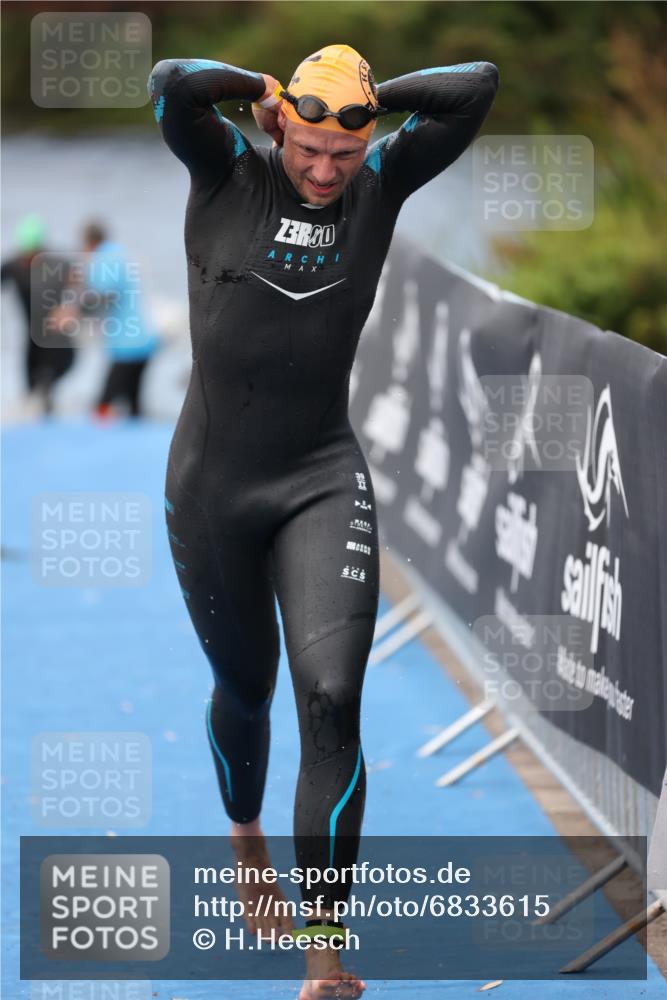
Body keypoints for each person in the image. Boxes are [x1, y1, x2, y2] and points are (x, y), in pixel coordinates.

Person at [148, 43, 498, 999]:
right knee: (245, 687)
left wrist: (366, 102)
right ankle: (245, 837)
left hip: (319, 478)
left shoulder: (381, 183)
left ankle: (324, 954)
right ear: (278, 131)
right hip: (213, 486)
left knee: (332, 700)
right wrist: (265, 90)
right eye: (307, 149)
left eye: (343, 153)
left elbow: (474, 88)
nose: (323, 169)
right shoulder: (227, 171)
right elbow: (173, 85)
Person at [47, 221, 160, 418]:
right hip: (143, 340)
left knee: (103, 407)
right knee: (133, 407)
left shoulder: (103, 259)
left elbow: (105, 295)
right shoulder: (117, 254)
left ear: (88, 242)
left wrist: (71, 312)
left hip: (128, 347)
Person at [1, 214, 75, 414]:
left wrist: (70, 307)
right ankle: (38, 415)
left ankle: (48, 411)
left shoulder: (55, 264)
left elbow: (81, 282)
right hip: (32, 335)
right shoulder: (14, 266)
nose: (29, 258)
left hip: (56, 335)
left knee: (50, 379)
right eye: (26, 253)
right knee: (31, 387)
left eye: (34, 253)